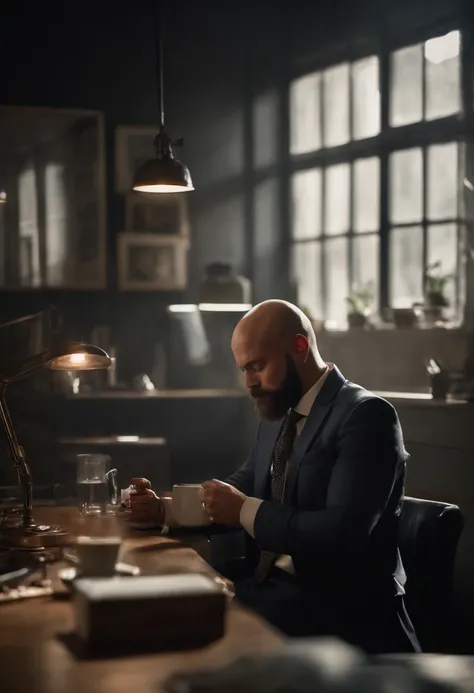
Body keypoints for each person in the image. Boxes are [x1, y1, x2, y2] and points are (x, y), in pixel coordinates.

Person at [200, 300, 420, 653]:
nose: (248, 383)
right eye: (243, 369)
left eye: (257, 366)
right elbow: (240, 487)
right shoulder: (279, 414)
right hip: (273, 595)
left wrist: (243, 510)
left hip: (341, 618)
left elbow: (343, 531)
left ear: (299, 348)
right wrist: (167, 510)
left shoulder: (367, 416)